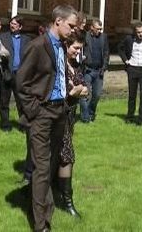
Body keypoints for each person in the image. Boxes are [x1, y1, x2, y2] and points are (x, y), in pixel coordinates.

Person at [17, 5, 77, 232]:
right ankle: (41, 225)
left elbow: (55, 76)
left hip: (59, 112)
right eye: (70, 25)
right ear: (58, 21)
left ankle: (46, 211)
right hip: (42, 113)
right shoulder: (37, 46)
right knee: (42, 168)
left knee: (50, 166)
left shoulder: (62, 45)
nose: (73, 30)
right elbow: (21, 82)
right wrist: (34, 110)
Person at [57, 33, 89, 218]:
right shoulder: (59, 64)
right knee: (67, 155)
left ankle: (60, 195)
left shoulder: (75, 65)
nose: (78, 52)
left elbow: (84, 88)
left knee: (63, 154)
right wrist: (75, 91)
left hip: (70, 117)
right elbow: (67, 91)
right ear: (66, 46)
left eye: (79, 49)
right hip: (58, 115)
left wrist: (79, 90)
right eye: (75, 48)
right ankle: (67, 202)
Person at [0, 15, 26, 131]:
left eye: (15, 24)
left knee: (22, 102)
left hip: (20, 75)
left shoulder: (27, 39)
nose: (12, 25)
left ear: (20, 26)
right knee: (4, 101)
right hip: (7, 72)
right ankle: (5, 125)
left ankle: (23, 125)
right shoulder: (2, 37)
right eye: (11, 23)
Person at [80, 19, 109, 123]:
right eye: (97, 29)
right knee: (85, 95)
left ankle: (91, 113)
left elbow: (106, 53)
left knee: (96, 95)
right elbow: (80, 48)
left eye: (101, 29)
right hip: (87, 70)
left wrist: (104, 66)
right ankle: (85, 117)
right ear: (91, 27)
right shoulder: (85, 36)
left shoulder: (103, 37)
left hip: (99, 71)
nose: (99, 31)